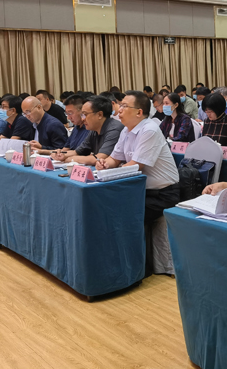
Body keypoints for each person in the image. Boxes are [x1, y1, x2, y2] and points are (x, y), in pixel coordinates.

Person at [99, 91, 180, 273]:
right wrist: (104, 164)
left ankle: (134, 268)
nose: (119, 110)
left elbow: (136, 166)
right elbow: (114, 158)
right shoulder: (126, 130)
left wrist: (111, 171)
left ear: (139, 112)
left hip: (163, 194)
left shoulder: (149, 129)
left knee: (122, 213)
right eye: (120, 105)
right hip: (141, 191)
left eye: (124, 106)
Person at [54, 95, 124, 166]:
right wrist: (61, 155)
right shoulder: (94, 129)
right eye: (82, 115)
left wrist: (72, 159)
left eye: (85, 114)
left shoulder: (114, 129)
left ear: (100, 115)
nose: (82, 119)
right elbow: (77, 152)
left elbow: (99, 158)